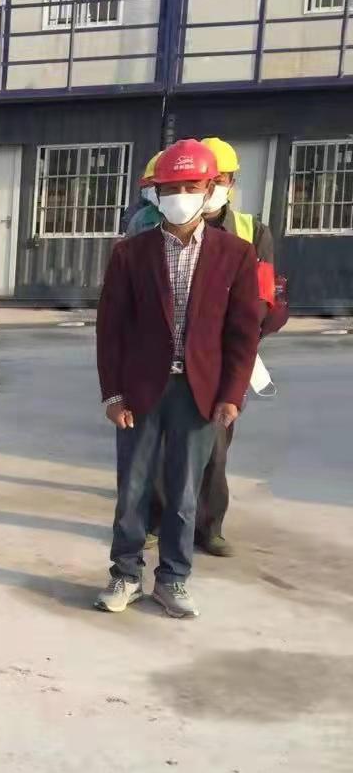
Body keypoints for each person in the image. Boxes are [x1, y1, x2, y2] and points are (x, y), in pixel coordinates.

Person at [93, 139, 263, 619]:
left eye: (191, 186)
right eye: (172, 188)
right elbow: (111, 329)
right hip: (141, 390)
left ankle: (173, 579)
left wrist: (232, 393)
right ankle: (125, 574)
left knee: (185, 492)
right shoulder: (131, 253)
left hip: (200, 391)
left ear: (210, 190)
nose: (181, 196)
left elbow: (243, 331)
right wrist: (113, 394)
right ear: (156, 193)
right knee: (133, 489)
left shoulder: (236, 254)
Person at [146, 136, 286, 556]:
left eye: (220, 179)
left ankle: (209, 526)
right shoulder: (153, 228)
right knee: (160, 445)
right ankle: (156, 520)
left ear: (224, 183)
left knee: (214, 448)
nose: (191, 193)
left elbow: (263, 298)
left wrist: (243, 341)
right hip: (166, 355)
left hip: (219, 359)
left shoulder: (250, 232)